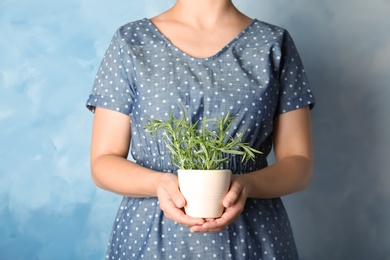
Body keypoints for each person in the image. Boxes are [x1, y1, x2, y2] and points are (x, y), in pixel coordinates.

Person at [86, 0, 315, 259]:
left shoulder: (273, 43)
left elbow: (299, 164)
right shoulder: (131, 41)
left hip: (253, 239)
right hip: (150, 239)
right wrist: (158, 183)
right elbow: (103, 162)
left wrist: (246, 184)